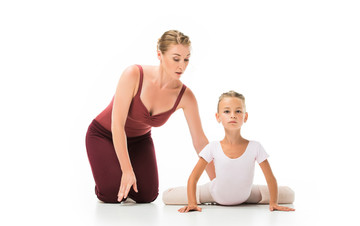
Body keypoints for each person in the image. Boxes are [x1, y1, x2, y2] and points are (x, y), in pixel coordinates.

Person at [85, 30, 212, 203]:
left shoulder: (185, 96)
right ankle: (109, 176)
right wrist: (127, 170)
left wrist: (218, 183)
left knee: (147, 195)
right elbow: (117, 125)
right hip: (104, 135)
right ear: (159, 54)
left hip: (139, 140)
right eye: (176, 59)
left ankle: (120, 175)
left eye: (186, 59)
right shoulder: (133, 74)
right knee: (111, 194)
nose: (182, 65)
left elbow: (200, 142)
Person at [162, 91, 295, 212]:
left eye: (238, 111)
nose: (233, 115)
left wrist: (273, 203)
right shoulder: (212, 147)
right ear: (218, 117)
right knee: (167, 197)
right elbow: (193, 178)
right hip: (214, 193)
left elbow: (270, 178)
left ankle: (247, 190)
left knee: (290, 195)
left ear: (245, 116)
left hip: (246, 194)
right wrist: (192, 203)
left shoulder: (255, 147)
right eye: (226, 111)